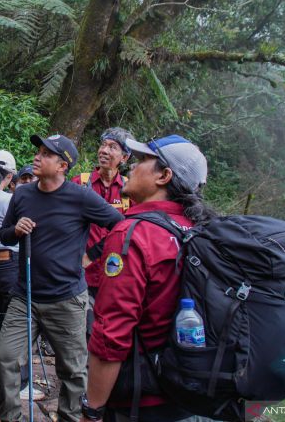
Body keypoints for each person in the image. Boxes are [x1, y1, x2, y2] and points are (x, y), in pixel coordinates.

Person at [83, 134, 215, 422]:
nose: (133, 166)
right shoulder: (199, 229)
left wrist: (92, 409)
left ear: (164, 176)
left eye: (143, 160)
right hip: (191, 386)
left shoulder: (134, 233)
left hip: (143, 397)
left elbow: (111, 334)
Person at [0, 134, 124, 422]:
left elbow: (119, 224)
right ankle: (10, 417)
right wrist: (15, 230)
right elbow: (3, 235)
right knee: (5, 359)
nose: (37, 158)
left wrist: (92, 254)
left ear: (63, 165)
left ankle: (69, 418)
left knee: (73, 371)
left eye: (46, 154)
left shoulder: (80, 197)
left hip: (66, 299)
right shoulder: (23, 194)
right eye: (38, 152)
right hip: (25, 296)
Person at [0, 151, 42, 398]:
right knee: (17, 324)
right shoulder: (9, 200)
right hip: (10, 263)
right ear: (11, 176)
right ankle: (20, 384)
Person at [71, 127, 134, 338]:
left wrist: (94, 253)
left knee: (107, 331)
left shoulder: (130, 189)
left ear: (124, 157)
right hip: (82, 274)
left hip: (116, 274)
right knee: (85, 332)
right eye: (103, 145)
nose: (104, 150)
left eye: (113, 147)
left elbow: (132, 229)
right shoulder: (81, 183)